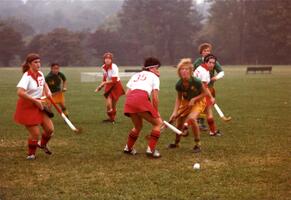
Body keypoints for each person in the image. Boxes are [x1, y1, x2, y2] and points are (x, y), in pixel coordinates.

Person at [14, 53, 54, 160]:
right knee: (35, 134)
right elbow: (20, 92)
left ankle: (42, 144)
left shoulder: (40, 74)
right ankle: (31, 154)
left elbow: (43, 83)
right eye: (35, 62)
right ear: (29, 64)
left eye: (39, 62)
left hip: (40, 105)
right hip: (27, 106)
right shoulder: (26, 76)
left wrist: (48, 91)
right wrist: (34, 101)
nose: (38, 64)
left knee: (50, 129)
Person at [168, 58, 212, 153]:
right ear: (179, 71)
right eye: (182, 69)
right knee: (179, 123)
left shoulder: (196, 81)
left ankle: (197, 144)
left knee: (192, 118)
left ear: (190, 71)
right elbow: (179, 98)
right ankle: (176, 142)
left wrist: (194, 99)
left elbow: (205, 94)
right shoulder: (179, 84)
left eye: (186, 69)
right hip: (186, 102)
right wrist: (174, 112)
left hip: (199, 101)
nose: (184, 71)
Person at [123, 57, 163, 158]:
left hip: (129, 101)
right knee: (158, 123)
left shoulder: (136, 75)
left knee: (138, 126)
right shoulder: (155, 77)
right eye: (157, 68)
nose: (158, 71)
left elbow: (127, 93)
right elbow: (155, 98)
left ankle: (128, 148)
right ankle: (151, 149)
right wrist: (156, 112)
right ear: (152, 68)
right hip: (140, 99)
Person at [193, 43, 224, 131]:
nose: (207, 52)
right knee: (202, 105)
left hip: (209, 87)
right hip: (200, 88)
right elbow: (193, 74)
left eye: (208, 51)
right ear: (201, 52)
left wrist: (216, 77)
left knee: (206, 105)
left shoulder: (213, 61)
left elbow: (222, 72)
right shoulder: (197, 62)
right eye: (205, 51)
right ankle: (195, 122)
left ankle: (198, 122)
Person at [95, 52, 125, 123]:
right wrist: (102, 85)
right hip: (109, 85)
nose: (107, 60)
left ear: (111, 60)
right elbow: (105, 77)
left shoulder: (114, 67)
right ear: (104, 59)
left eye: (109, 58)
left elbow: (114, 80)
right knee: (108, 105)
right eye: (106, 58)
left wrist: (102, 84)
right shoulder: (103, 67)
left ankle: (112, 119)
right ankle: (111, 118)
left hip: (116, 85)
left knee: (113, 105)